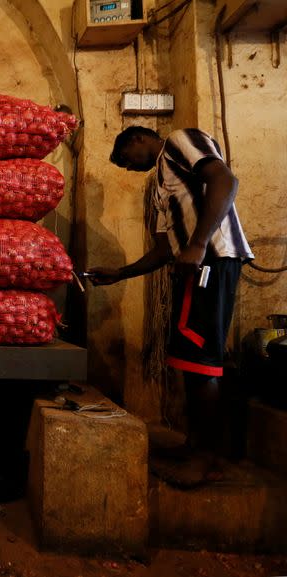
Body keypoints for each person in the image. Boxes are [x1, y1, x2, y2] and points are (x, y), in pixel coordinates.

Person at [88, 126, 254, 486]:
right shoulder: (163, 183)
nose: (130, 169)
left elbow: (225, 180)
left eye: (126, 160)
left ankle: (206, 460)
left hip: (211, 260)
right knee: (189, 357)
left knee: (202, 361)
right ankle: (196, 445)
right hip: (193, 265)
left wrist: (197, 244)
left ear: (138, 139)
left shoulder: (180, 141)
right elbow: (165, 250)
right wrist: (120, 273)